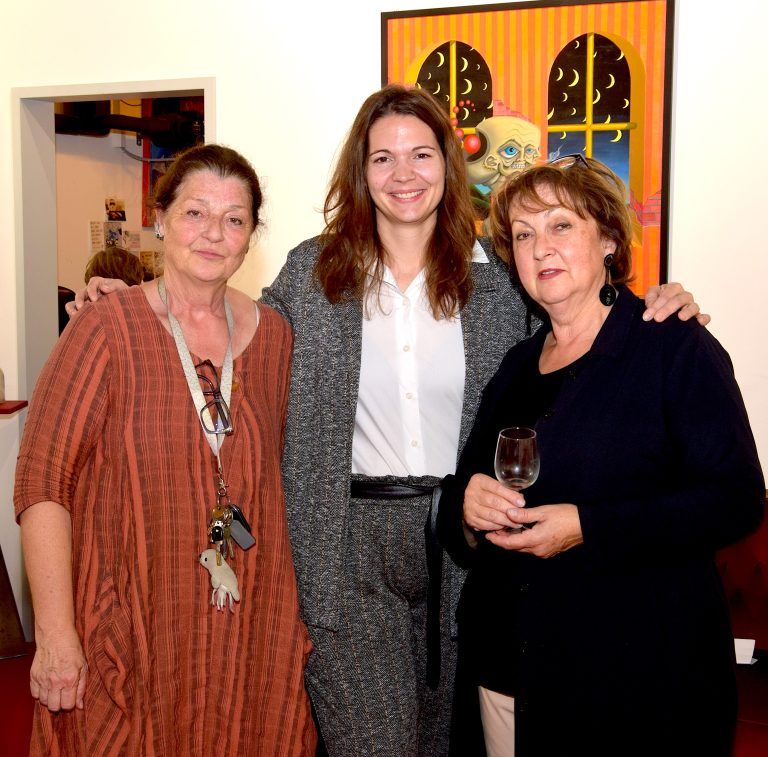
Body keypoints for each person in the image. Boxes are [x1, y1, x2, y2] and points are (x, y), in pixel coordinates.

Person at [67, 88, 705, 757]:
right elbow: (230, 329)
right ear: (360, 171)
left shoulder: (499, 276)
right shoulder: (313, 270)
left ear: (449, 164)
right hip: (344, 547)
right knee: (374, 744)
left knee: (447, 743)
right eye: (383, 157)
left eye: (421, 154)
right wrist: (140, 299)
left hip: (470, 539)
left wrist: (653, 301)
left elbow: (577, 322)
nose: (403, 173)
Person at [437, 155, 765, 757]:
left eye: (561, 226)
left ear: (609, 239)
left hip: (637, 686)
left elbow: (736, 498)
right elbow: (465, 492)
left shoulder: (672, 345)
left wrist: (589, 526)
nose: (541, 249)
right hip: (511, 675)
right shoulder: (515, 365)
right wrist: (466, 508)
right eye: (524, 235)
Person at [15, 145, 316, 756]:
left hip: (246, 626)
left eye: (234, 219)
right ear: (160, 218)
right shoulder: (104, 328)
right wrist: (54, 634)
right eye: (195, 213)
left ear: (251, 236)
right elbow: (42, 483)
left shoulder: (277, 337)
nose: (213, 233)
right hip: (132, 619)